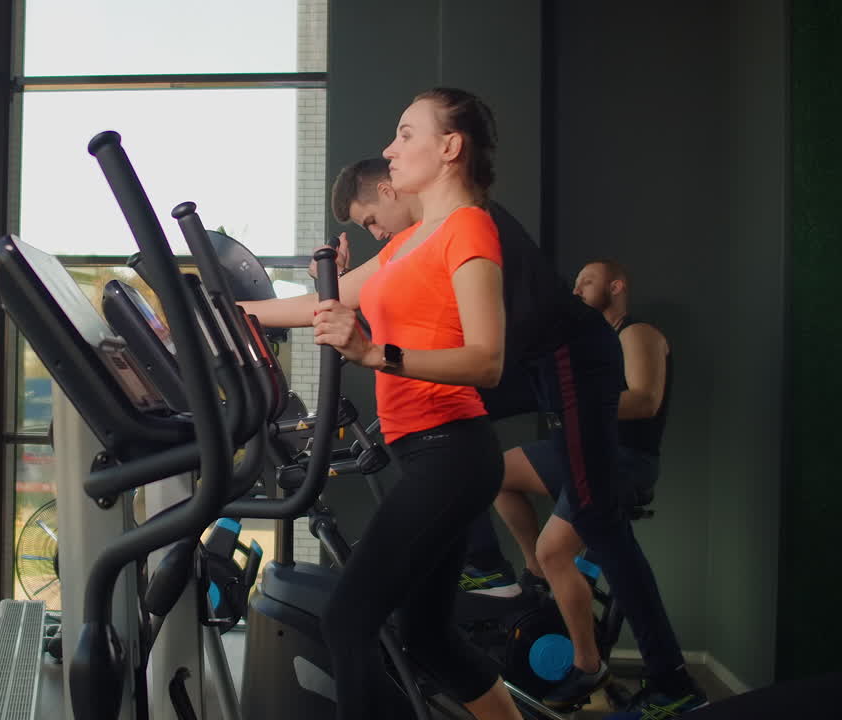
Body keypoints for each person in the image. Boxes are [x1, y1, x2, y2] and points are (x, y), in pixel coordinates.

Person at [326, 160, 707, 716]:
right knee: (485, 469)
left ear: (617, 286)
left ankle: (668, 677)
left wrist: (567, 404)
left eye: (589, 280)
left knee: (589, 526)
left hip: (624, 455)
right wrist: (335, 285)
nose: (577, 285)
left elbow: (644, 400)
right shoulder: (425, 245)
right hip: (558, 413)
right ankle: (498, 569)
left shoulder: (636, 333)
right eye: (575, 280)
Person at [241, 87, 523, 720]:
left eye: (404, 134)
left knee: (347, 618)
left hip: (454, 451)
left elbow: (488, 359)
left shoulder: (470, 228)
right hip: (426, 454)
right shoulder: (408, 243)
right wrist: (226, 313)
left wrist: (376, 355)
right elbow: (321, 304)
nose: (390, 150)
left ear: (450, 147)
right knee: (428, 637)